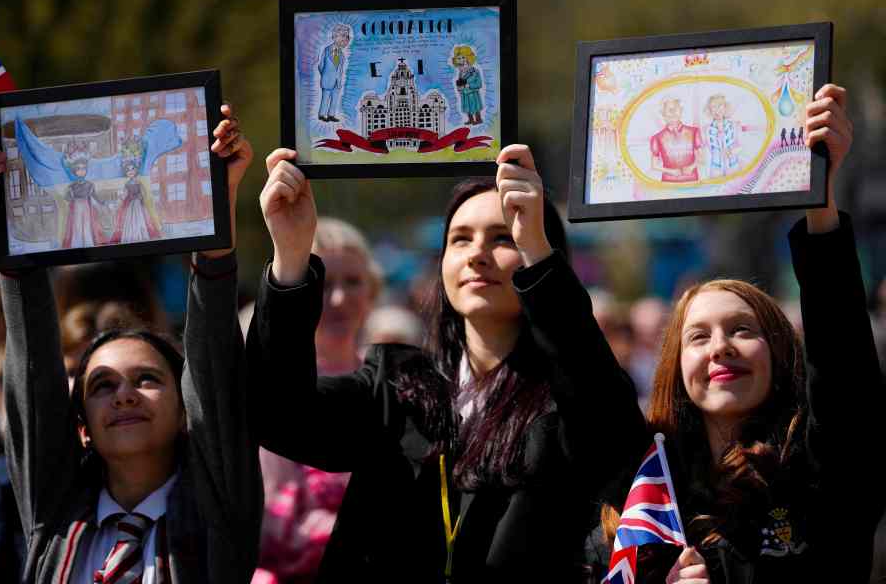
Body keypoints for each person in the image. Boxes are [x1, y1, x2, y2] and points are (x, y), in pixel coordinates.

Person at [250, 143, 646, 581]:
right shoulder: (394, 383)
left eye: (503, 237)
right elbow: (278, 414)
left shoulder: (567, 400)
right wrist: (290, 255)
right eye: (460, 239)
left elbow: (615, 441)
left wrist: (535, 245)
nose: (477, 254)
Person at [0, 104, 262, 583]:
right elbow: (34, 373)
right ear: (80, 425)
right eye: (101, 385)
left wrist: (217, 209)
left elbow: (214, 370)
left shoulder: (217, 513)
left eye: (147, 379)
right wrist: (8, 209)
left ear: (185, 409)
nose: (124, 394)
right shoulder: (55, 516)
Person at [602, 84, 885, 583]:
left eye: (741, 330)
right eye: (698, 337)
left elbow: (842, 368)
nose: (721, 347)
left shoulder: (822, 472)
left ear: (779, 353)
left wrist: (819, 195)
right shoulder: (648, 488)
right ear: (674, 365)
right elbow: (584, 379)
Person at [256, 217, 382, 583]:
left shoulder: (394, 381)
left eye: (353, 282)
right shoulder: (278, 392)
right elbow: (273, 524)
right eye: (325, 286)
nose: (339, 299)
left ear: (372, 292)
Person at [110, 145, 161, 244]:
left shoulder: (138, 182)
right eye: (128, 170)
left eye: (132, 169)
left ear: (136, 169)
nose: (130, 172)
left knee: (140, 220)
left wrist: (141, 197)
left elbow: (143, 193)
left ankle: (141, 236)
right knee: (130, 221)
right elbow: (124, 194)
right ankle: (132, 237)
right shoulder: (127, 184)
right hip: (130, 205)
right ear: (125, 172)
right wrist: (119, 200)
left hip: (138, 204)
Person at [61, 144, 109, 249]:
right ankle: (77, 245)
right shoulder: (72, 186)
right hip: (76, 210)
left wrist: (102, 202)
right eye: (78, 169)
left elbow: (95, 196)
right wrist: (69, 196)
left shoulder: (90, 185)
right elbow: (66, 198)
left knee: (87, 226)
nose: (81, 171)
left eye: (83, 168)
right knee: (77, 227)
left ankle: (88, 243)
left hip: (87, 209)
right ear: (74, 171)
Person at [650, 97, 703, 183]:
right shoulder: (657, 138)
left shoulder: (694, 132)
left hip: (692, 181)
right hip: (669, 182)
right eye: (669, 109)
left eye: (676, 108)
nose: (673, 112)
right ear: (663, 113)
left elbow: (701, 157)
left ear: (681, 111)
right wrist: (671, 171)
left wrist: (691, 167)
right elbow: (654, 165)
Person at [318, 24, 351, 123]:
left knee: (335, 99)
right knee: (325, 98)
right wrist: (325, 75)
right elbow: (320, 65)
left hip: (337, 81)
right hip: (327, 80)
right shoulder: (327, 50)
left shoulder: (341, 54)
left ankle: (331, 115)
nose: (346, 39)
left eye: (346, 37)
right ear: (335, 36)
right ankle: (322, 114)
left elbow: (340, 69)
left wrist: (339, 79)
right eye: (343, 36)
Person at [452, 45, 484, 126]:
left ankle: (478, 119)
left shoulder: (474, 71)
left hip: (473, 94)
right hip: (465, 94)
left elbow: (479, 84)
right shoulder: (460, 72)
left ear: (468, 58)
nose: (461, 60)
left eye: (463, 57)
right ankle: (470, 120)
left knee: (475, 107)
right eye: (459, 58)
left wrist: (469, 85)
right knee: (467, 108)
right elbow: (460, 83)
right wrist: (459, 88)